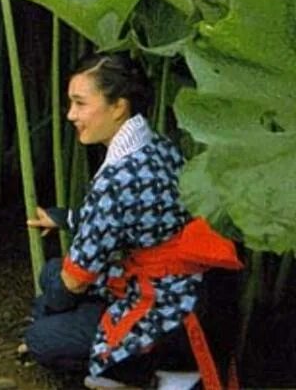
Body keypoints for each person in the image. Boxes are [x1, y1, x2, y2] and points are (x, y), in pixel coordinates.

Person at [23, 53, 242, 390]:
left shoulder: (116, 178)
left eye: (80, 104)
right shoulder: (157, 146)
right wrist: (66, 218)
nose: (71, 115)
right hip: (202, 291)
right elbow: (132, 216)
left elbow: (74, 281)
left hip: (168, 307)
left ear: (118, 107)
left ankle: (153, 375)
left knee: (43, 334)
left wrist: (47, 312)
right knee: (51, 274)